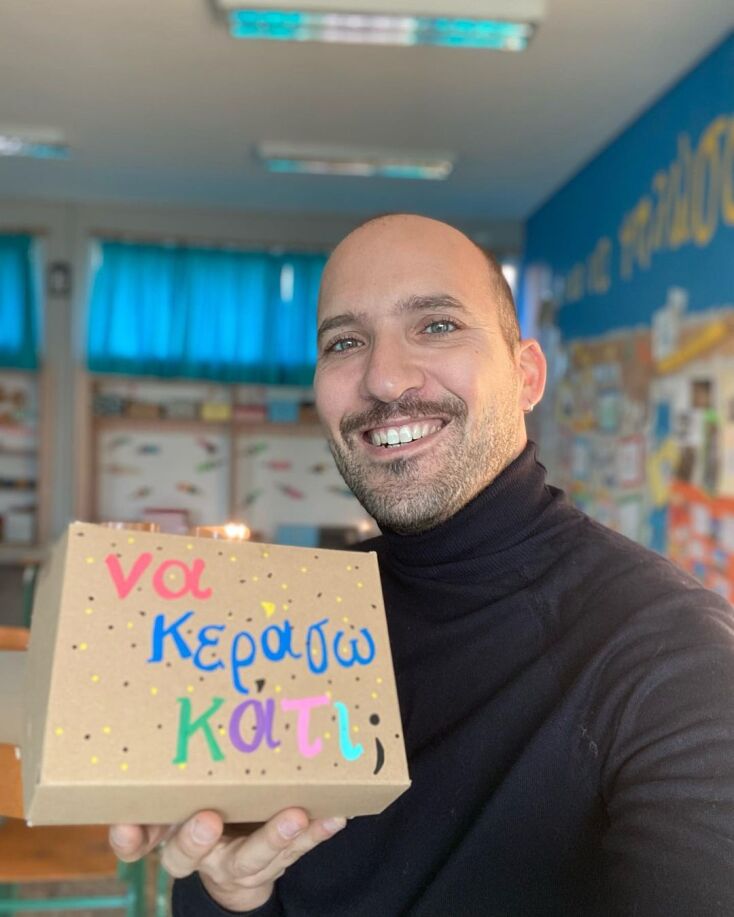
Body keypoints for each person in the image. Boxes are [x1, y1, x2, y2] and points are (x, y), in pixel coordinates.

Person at [110, 214, 734, 915]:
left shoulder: (675, 656)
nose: (384, 378)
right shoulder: (289, 621)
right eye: (345, 342)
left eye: (437, 325)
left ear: (527, 375)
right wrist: (232, 892)